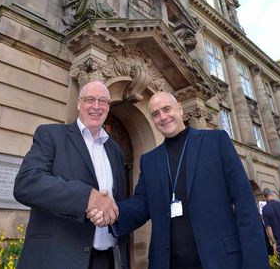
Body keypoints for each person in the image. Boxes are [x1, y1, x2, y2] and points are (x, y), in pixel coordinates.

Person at [88, 91, 269, 269]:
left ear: (180, 109)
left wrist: (255, 263)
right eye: (156, 114)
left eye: (167, 109)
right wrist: (113, 211)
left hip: (220, 260)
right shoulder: (149, 160)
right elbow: (142, 203)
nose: (163, 117)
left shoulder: (216, 141)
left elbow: (245, 203)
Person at [13, 80, 128, 269]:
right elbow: (26, 183)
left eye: (103, 101)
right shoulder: (50, 135)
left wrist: (111, 214)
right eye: (90, 100)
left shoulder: (116, 151)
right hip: (57, 259)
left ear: (108, 107)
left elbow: (118, 202)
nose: (96, 107)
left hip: (106, 260)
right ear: (79, 103)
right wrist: (87, 197)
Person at [262, 187, 280, 268]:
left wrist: (274, 243)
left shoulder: (265, 209)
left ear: (264, 197)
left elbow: (268, 228)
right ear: (272, 194)